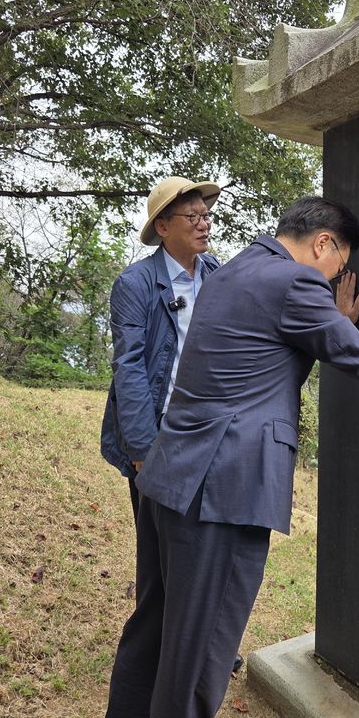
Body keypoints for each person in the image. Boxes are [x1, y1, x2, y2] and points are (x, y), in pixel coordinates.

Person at [81, 196, 359, 718]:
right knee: (195, 663)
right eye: (337, 263)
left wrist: (332, 320)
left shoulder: (233, 270)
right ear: (324, 244)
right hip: (223, 493)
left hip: (169, 481)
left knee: (152, 643)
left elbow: (257, 369)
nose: (331, 279)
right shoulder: (294, 281)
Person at [100, 175, 221, 526]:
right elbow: (129, 365)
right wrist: (141, 450)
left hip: (206, 427)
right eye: (192, 217)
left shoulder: (214, 273)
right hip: (161, 429)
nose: (204, 224)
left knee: (198, 542)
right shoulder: (135, 284)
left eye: (206, 216)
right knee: (157, 546)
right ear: (163, 226)